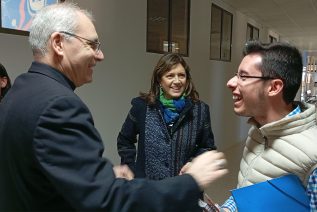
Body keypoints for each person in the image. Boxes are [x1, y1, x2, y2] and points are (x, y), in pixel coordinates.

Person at [0, 2, 228, 211]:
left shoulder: (19, 91)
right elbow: (107, 200)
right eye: (91, 44)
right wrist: (191, 182)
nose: (100, 55)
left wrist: (99, 176)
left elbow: (40, 174)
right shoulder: (60, 106)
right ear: (58, 43)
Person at [221, 41, 317, 211]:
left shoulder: (313, 156)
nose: (230, 82)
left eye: (243, 77)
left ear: (274, 87)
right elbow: (249, 189)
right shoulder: (257, 131)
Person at [117, 53, 217, 181]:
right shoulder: (142, 107)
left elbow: (208, 146)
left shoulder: (200, 110)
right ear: (159, 80)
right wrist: (130, 168)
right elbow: (125, 139)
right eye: (170, 76)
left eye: (181, 75)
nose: (177, 81)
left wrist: (193, 163)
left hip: (184, 187)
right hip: (148, 189)